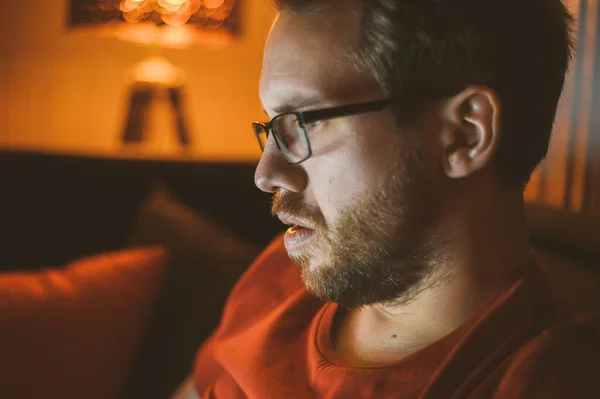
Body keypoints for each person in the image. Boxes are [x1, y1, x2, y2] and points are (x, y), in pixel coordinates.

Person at [184, 0, 600, 397]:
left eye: (304, 122)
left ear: (464, 135)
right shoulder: (284, 270)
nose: (266, 174)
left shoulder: (538, 383)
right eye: (273, 126)